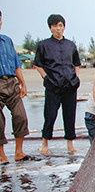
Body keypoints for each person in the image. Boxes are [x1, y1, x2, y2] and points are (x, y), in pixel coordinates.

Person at [33, 14, 80, 155]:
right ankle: (45, 143)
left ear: (64, 27)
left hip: (70, 84)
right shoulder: (44, 45)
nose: (58, 29)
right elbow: (37, 64)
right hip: (53, 85)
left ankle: (70, 144)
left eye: (60, 25)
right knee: (50, 114)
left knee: (70, 114)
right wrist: (46, 77)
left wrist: (76, 78)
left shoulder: (70, 45)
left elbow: (76, 63)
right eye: (55, 26)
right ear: (50, 27)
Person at [0, 10, 38, 164]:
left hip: (11, 81)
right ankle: (2, 155)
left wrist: (23, 83)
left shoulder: (7, 41)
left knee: (20, 116)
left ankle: (19, 152)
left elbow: (16, 64)